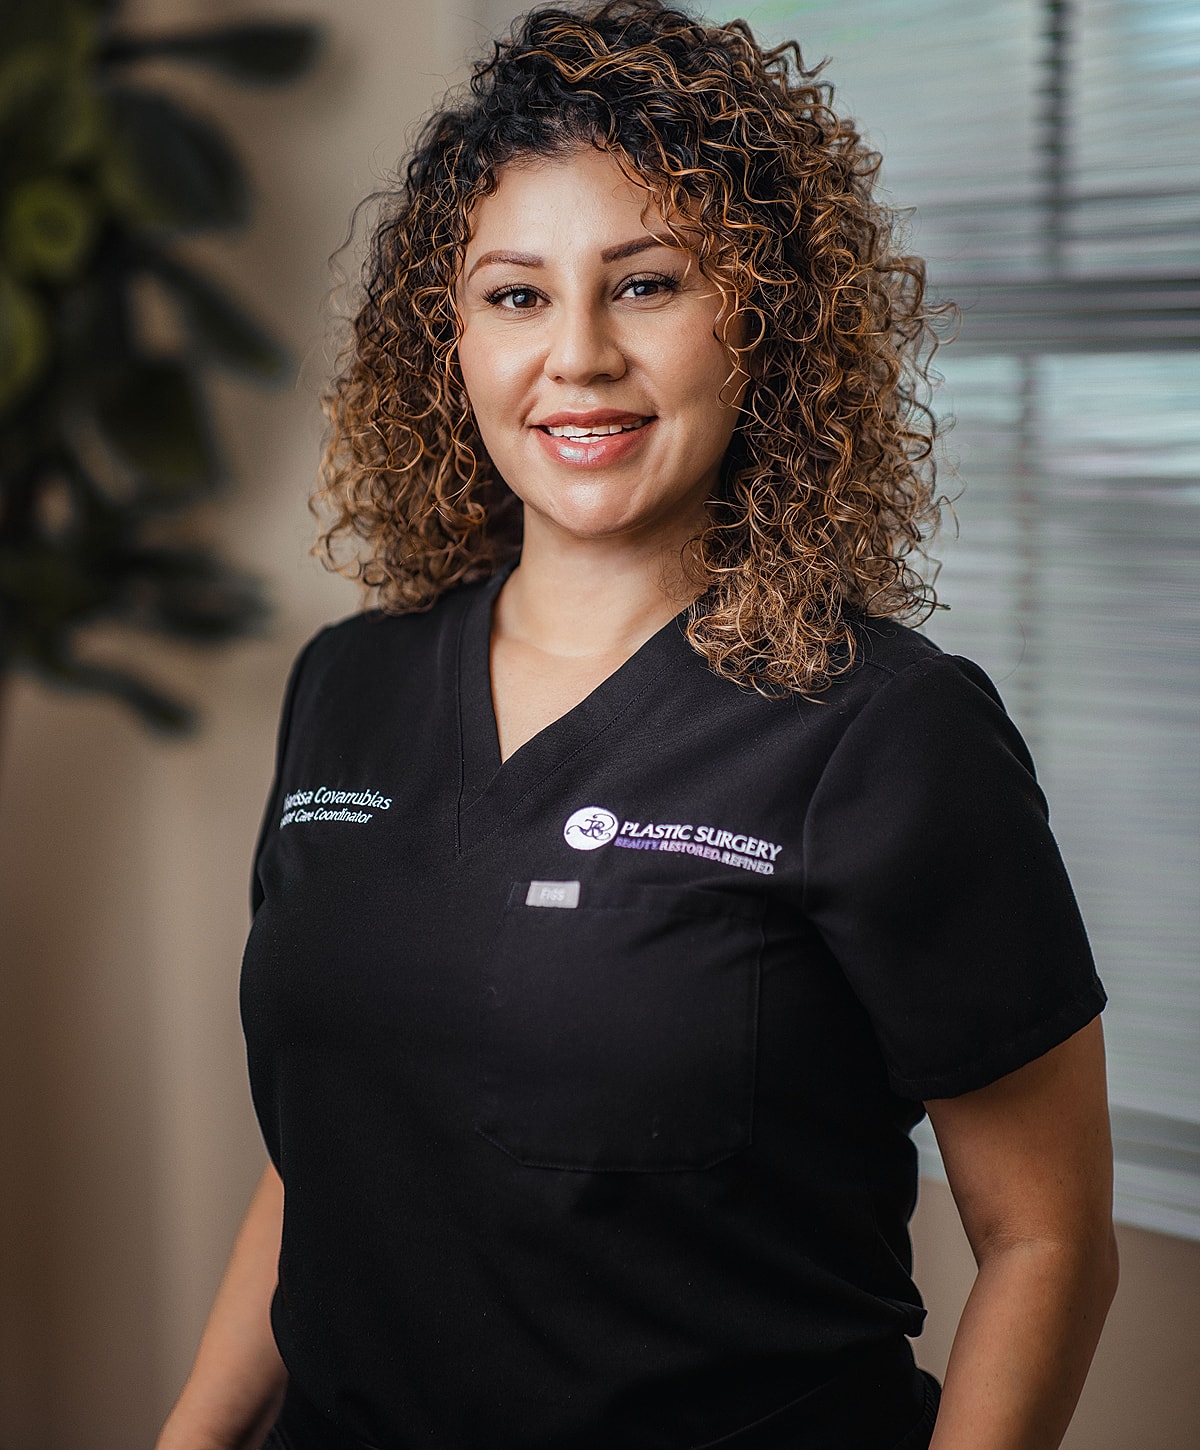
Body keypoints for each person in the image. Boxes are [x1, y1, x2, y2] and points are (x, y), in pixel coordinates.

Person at [156, 3, 1118, 1448]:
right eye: (517, 295)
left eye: (648, 283)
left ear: (764, 315)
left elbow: (1048, 1239)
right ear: (450, 340)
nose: (581, 356)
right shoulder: (347, 688)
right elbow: (331, 1159)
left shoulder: (887, 732)